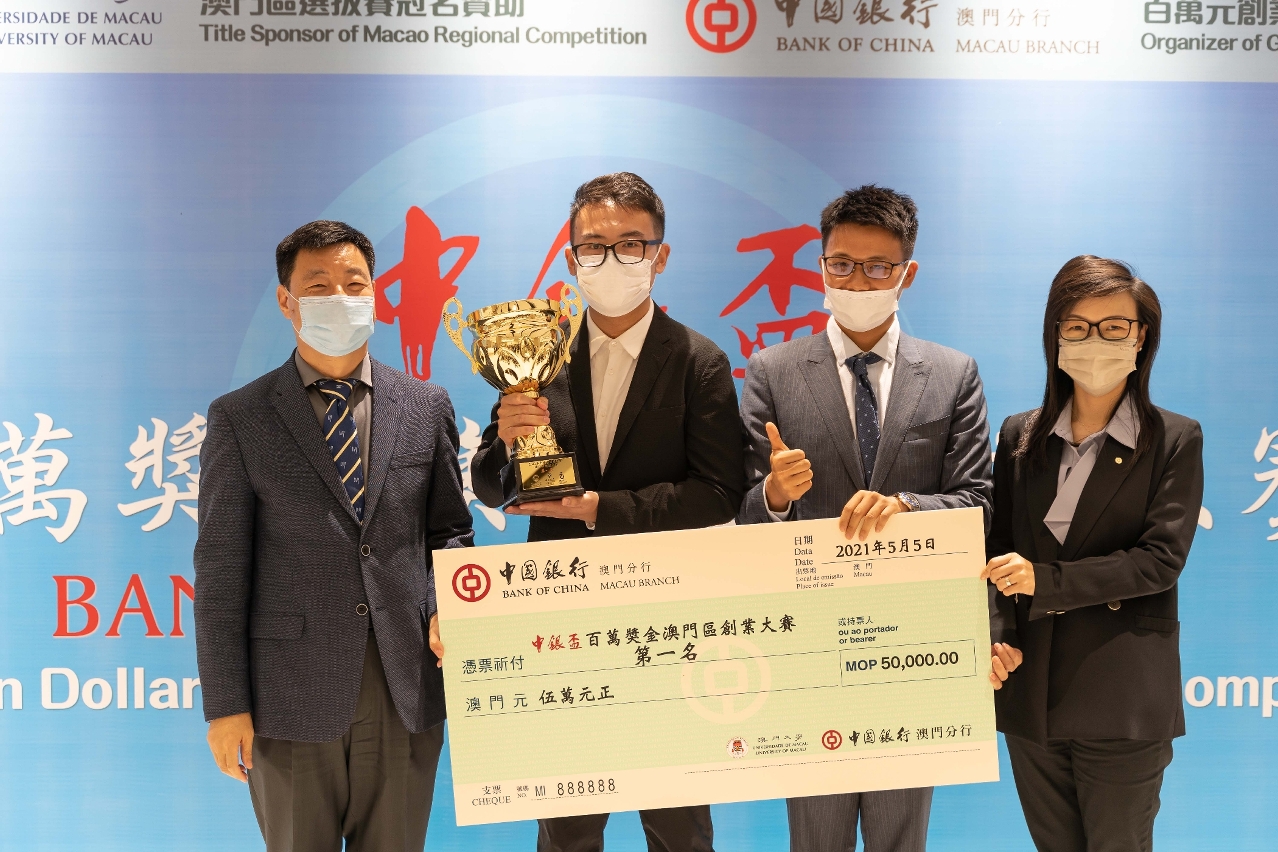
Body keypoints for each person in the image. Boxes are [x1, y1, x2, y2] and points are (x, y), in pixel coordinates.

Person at [737, 185, 1018, 852]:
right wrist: (774, 495)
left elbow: (978, 502)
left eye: (876, 267)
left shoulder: (952, 373)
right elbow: (738, 516)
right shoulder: (772, 371)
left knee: (900, 840)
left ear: (906, 273)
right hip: (807, 645)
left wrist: (907, 508)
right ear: (821, 265)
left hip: (913, 643)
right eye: (841, 264)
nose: (856, 282)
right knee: (816, 840)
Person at [471, 172, 745, 852]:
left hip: (667, 628)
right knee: (566, 831)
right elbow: (489, 487)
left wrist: (602, 510)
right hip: (560, 624)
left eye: (631, 245)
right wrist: (506, 440)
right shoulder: (535, 352)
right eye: (593, 247)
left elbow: (719, 492)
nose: (611, 260)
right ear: (571, 259)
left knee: (679, 830)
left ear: (660, 255)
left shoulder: (699, 361)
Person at [194, 221, 474, 852]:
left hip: (405, 686)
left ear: (375, 293)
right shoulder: (240, 417)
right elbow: (220, 572)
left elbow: (450, 531)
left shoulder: (425, 405)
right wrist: (225, 704)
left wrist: (447, 605)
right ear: (286, 301)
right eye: (318, 286)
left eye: (355, 283)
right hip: (288, 696)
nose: (340, 298)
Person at [983, 256, 1203, 852]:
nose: (1095, 340)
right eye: (1077, 326)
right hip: (1031, 693)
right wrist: (998, 637)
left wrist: (1045, 581)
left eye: (1114, 326)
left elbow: (1159, 561)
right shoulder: (1019, 435)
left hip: (1121, 696)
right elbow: (997, 551)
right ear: (1055, 335)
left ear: (1141, 336)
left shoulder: (1174, 439)